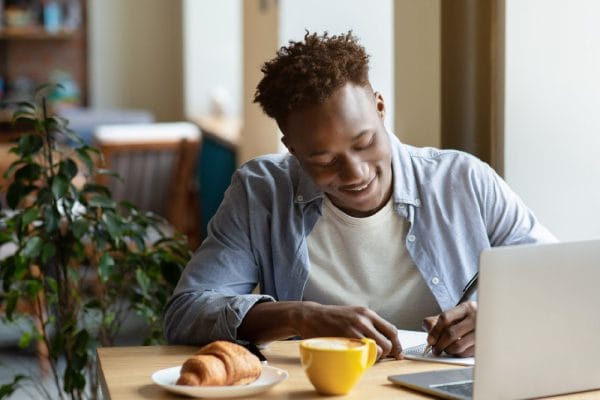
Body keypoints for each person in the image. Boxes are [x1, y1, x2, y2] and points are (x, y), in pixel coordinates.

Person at [164, 31, 556, 359]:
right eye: (322, 159)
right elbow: (187, 311)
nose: (355, 172)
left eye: (365, 142)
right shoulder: (261, 191)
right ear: (292, 149)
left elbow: (559, 281)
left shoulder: (463, 180)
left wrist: (495, 315)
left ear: (380, 108)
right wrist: (301, 316)